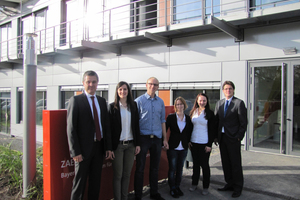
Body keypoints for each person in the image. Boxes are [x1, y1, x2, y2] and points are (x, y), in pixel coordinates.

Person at [67, 70, 113, 200]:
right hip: (82, 150)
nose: (91, 84)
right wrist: (75, 151)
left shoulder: (102, 101)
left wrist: (108, 147)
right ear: (83, 83)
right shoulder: (75, 100)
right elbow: (71, 128)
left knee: (95, 181)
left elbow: (106, 126)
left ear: (97, 83)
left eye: (94, 82)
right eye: (88, 82)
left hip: (98, 148)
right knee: (79, 184)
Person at [134, 77, 169, 200]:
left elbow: (162, 121)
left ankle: (154, 193)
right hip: (143, 138)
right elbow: (135, 123)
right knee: (140, 168)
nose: (153, 86)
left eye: (155, 84)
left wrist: (165, 139)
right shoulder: (138, 101)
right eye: (150, 84)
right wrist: (137, 141)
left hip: (157, 139)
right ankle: (138, 195)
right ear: (146, 85)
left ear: (158, 86)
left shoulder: (160, 102)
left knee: (155, 168)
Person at [214, 81, 247, 198]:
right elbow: (216, 120)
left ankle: (238, 187)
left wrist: (239, 136)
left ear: (233, 90)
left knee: (235, 164)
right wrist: (215, 137)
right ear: (223, 90)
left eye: (230, 89)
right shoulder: (219, 103)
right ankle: (229, 183)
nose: (228, 90)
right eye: (226, 89)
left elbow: (243, 123)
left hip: (233, 138)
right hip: (222, 138)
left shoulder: (239, 103)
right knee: (226, 163)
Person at [108, 81, 141, 200]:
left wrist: (138, 144)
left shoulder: (133, 106)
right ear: (117, 91)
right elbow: (108, 130)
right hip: (118, 146)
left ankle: (124, 197)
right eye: (120, 89)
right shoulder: (112, 107)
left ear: (128, 91)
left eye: (125, 89)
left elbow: (136, 126)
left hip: (131, 145)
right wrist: (110, 148)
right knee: (118, 175)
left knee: (127, 174)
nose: (123, 91)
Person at [188, 93, 216, 195]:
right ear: (197, 101)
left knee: (204, 165)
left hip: (205, 143)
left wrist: (209, 145)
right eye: (200, 100)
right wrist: (189, 141)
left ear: (207, 101)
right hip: (194, 142)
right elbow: (190, 127)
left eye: (204, 100)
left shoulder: (210, 114)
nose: (202, 102)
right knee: (195, 165)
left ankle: (205, 187)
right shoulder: (193, 112)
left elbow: (212, 130)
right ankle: (194, 184)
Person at [166, 97, 193, 198]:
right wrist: (164, 141)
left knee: (180, 169)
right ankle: (172, 188)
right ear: (175, 106)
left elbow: (190, 131)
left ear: (184, 105)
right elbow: (165, 130)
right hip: (173, 147)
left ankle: (177, 186)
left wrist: (189, 141)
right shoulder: (171, 117)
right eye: (177, 104)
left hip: (184, 147)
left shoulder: (188, 118)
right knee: (172, 169)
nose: (179, 106)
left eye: (181, 104)